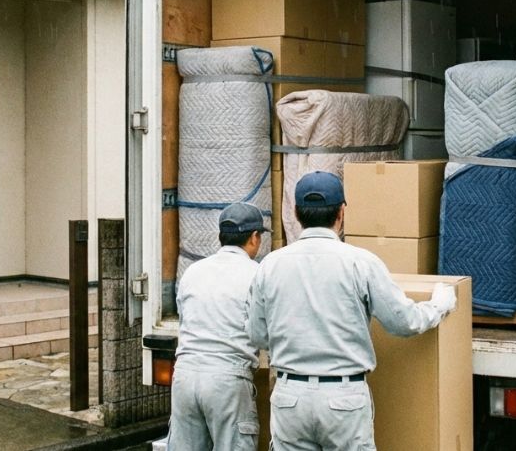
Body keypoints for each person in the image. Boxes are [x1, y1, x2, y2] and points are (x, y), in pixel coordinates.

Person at [246, 171, 458, 451]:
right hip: (343, 398)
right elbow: (403, 322)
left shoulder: (270, 265)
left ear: (296, 212)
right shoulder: (361, 263)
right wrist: (439, 305)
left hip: (290, 397)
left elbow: (257, 335)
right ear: (341, 213)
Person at [168, 202, 266, 451]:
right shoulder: (258, 274)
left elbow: (185, 317)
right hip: (227, 380)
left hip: (185, 376)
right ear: (254, 238)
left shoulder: (193, 271)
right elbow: (264, 332)